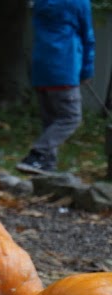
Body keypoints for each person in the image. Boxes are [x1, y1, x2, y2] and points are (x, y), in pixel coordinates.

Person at [16, 0, 95, 175]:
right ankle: (37, 153)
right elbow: (87, 36)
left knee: (51, 121)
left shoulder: (41, 2)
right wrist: (86, 70)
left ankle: (46, 166)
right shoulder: (79, 2)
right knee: (71, 117)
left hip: (41, 67)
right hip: (64, 66)